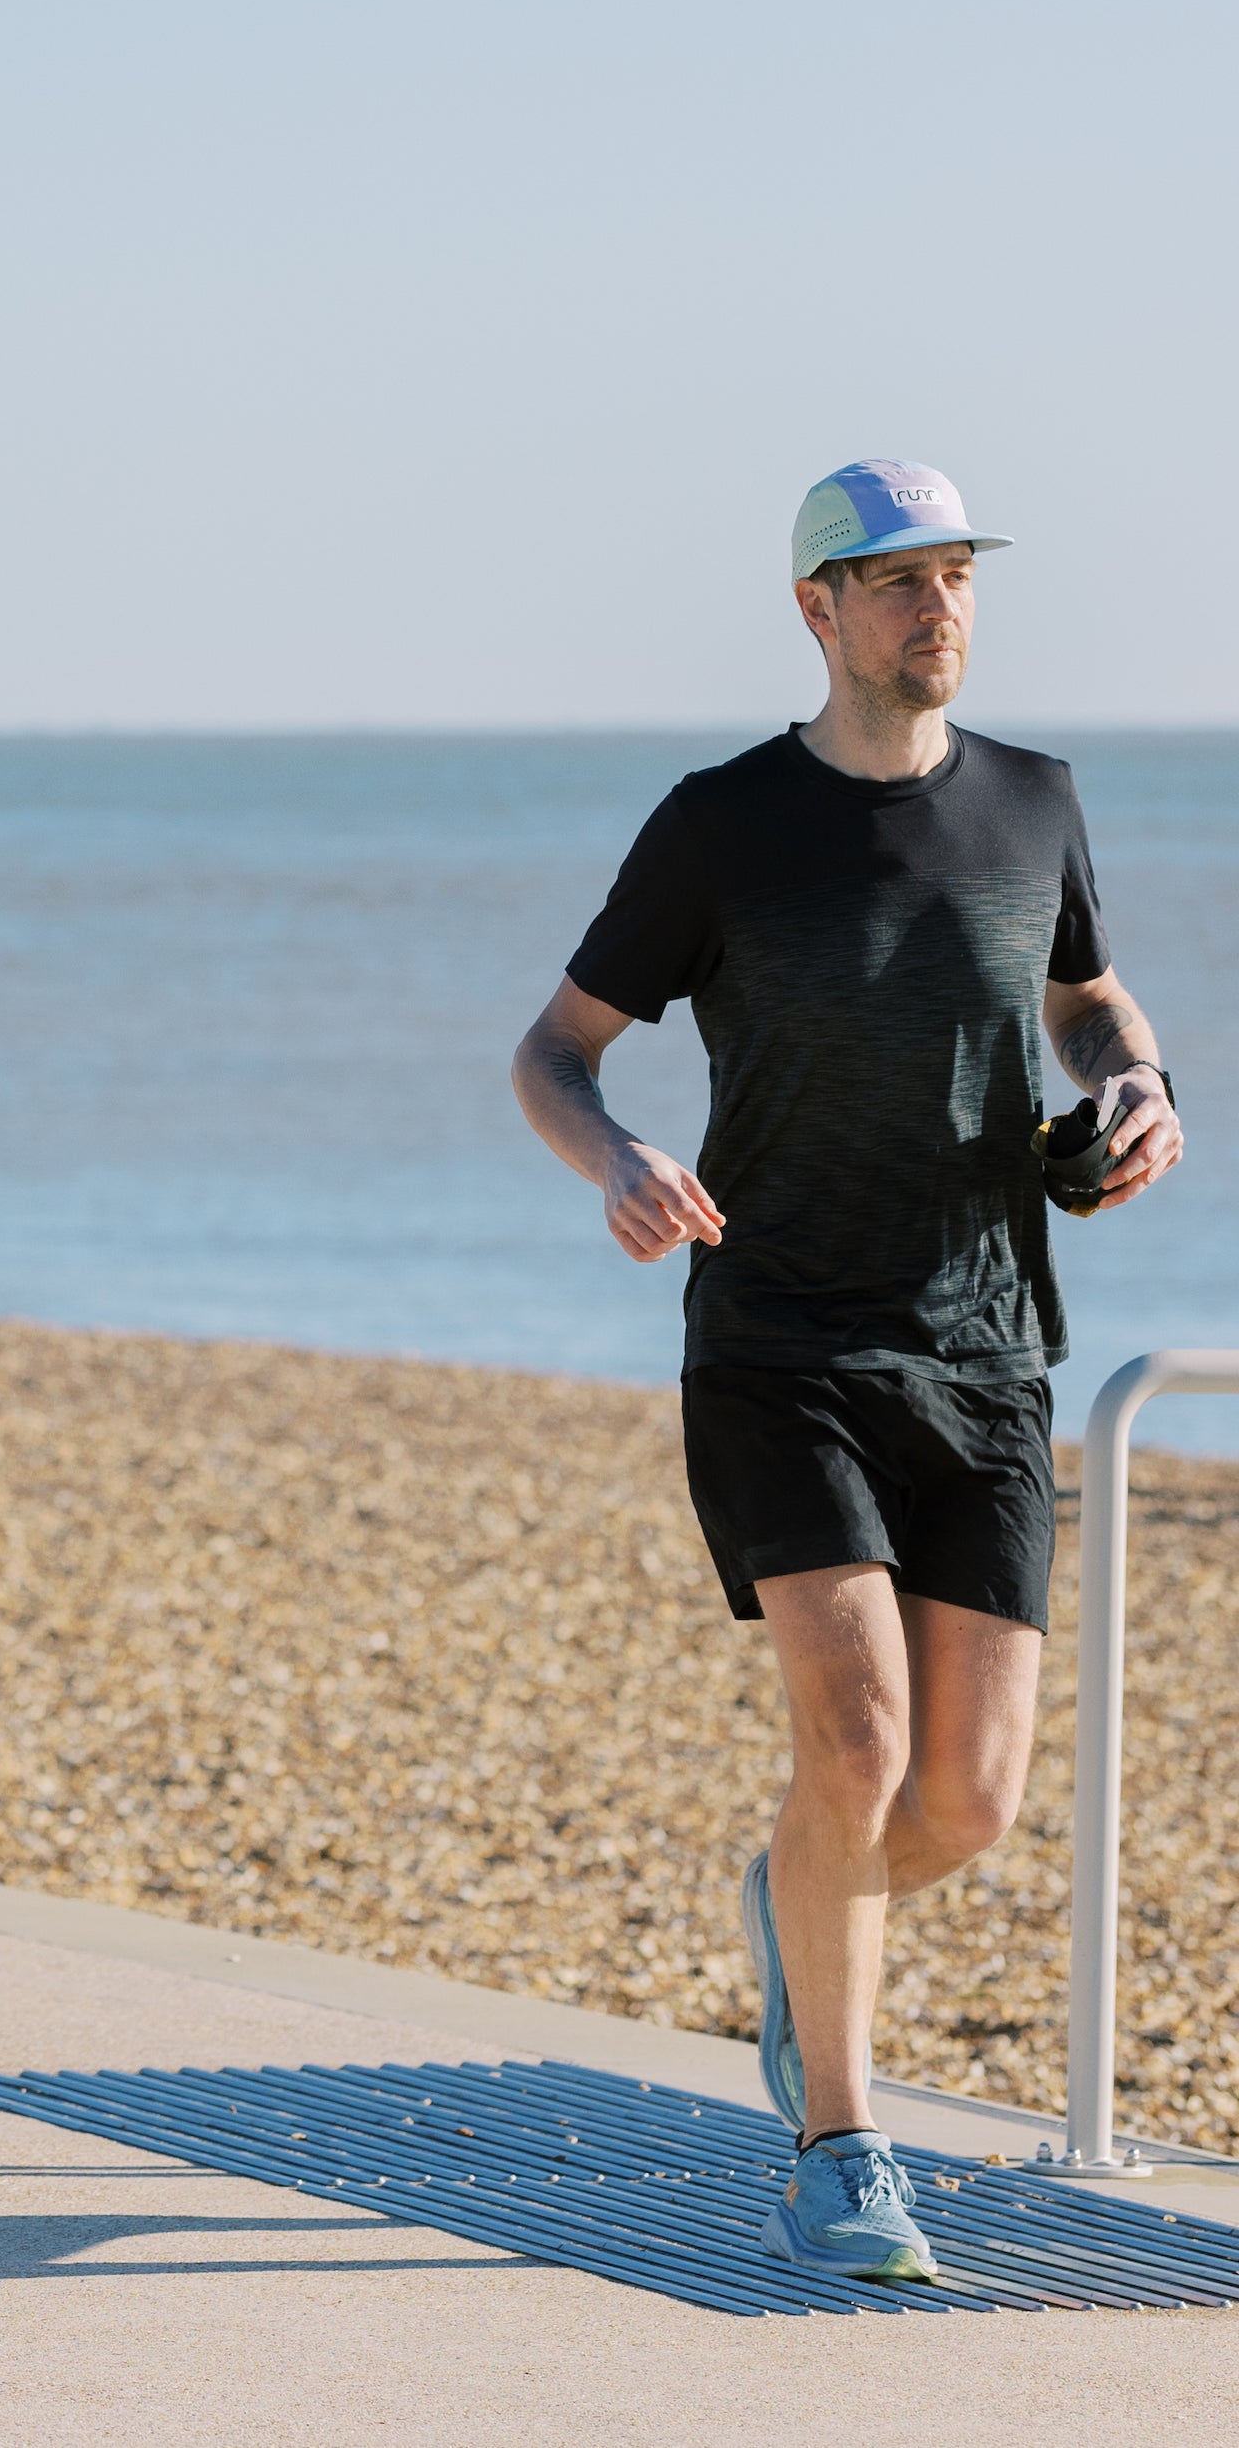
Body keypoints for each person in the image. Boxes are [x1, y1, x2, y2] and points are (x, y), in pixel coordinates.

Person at [513, 463, 1179, 2286]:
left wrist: (1137, 1085)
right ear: (817, 610)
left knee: (961, 1804)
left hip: (989, 1347)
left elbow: (1087, 1000)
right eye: (896, 580)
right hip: (780, 1341)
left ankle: (794, 1897)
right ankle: (839, 2148)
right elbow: (555, 1050)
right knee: (859, 1745)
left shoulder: (1035, 800)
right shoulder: (721, 826)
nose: (936, 605)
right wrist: (618, 1159)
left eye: (956, 574)